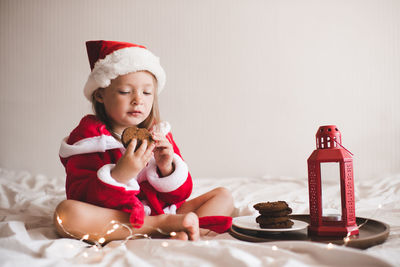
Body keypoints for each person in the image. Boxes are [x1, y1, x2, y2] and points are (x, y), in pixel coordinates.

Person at [54, 40, 234, 243]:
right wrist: (119, 175)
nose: (138, 100)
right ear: (100, 94)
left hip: (161, 209)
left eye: (147, 93)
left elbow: (181, 194)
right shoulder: (87, 141)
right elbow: (80, 195)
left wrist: (167, 168)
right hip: (118, 216)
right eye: (125, 91)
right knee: (66, 214)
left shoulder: (157, 134)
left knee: (223, 195)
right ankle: (161, 226)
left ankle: (188, 232)